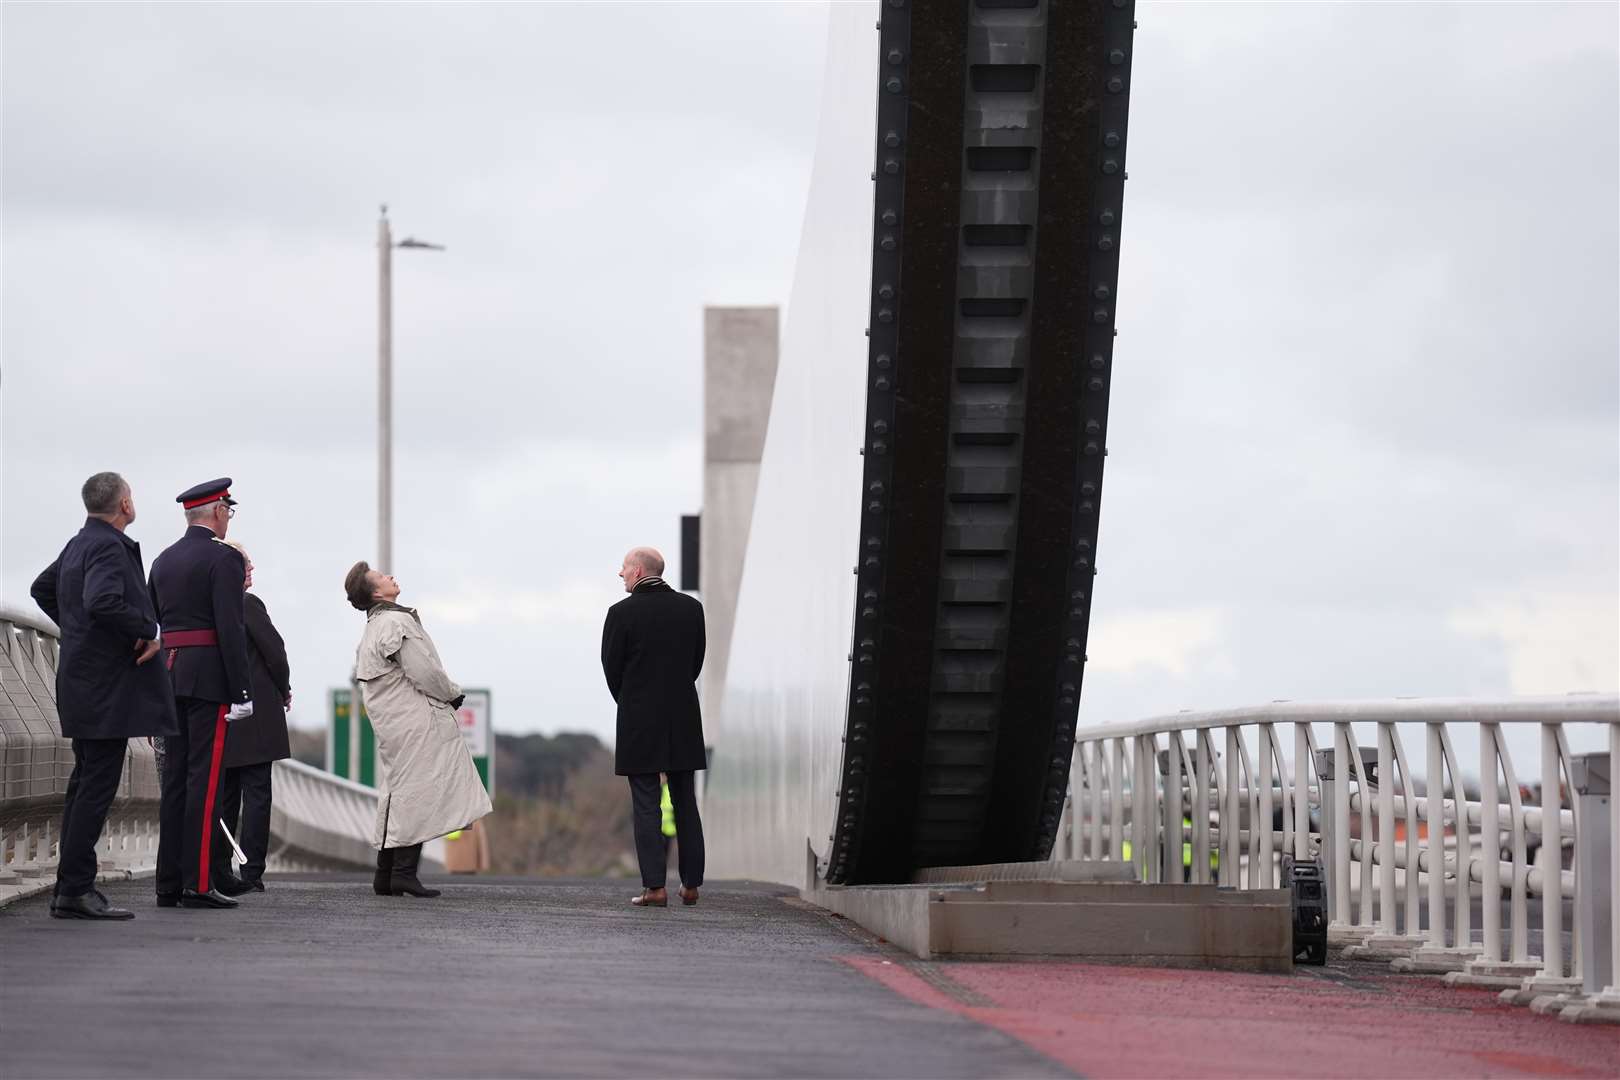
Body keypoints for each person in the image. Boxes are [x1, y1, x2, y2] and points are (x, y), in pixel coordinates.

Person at [30, 472, 177, 920]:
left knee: (85, 784)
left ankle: (69, 888)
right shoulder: (109, 546)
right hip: (104, 688)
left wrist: (76, 632)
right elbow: (103, 602)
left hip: (80, 681)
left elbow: (42, 588)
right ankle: (75, 889)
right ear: (125, 505)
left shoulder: (79, 543)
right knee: (96, 786)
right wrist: (147, 629)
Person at [343, 561, 491, 898]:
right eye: (382, 577)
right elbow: (424, 672)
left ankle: (387, 874)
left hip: (392, 722)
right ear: (377, 592)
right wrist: (453, 693)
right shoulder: (397, 622)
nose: (391, 577)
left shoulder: (372, 628)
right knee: (418, 793)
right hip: (415, 719)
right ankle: (404, 873)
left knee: (398, 791)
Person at [148, 478, 254, 909]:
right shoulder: (222, 559)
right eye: (228, 509)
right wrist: (242, 690)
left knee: (174, 782)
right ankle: (199, 882)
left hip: (169, 677)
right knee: (205, 784)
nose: (229, 517)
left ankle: (168, 882)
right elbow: (230, 627)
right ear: (215, 511)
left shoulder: (162, 560)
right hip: (209, 679)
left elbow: (156, 621)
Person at [600, 547, 706, 908]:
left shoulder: (620, 614)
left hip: (639, 721)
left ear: (638, 571)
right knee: (685, 802)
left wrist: (632, 702)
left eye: (624, 568)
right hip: (683, 718)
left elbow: (612, 669)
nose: (620, 574)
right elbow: (696, 662)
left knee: (647, 804)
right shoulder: (691, 609)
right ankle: (690, 885)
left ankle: (655, 888)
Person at [214, 539, 292, 892]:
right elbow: (275, 652)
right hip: (257, 714)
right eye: (246, 564)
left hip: (222, 713)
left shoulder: (210, 607)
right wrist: (284, 687)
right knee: (257, 794)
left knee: (226, 796)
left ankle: (222, 867)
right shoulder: (248, 605)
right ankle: (252, 871)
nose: (252, 570)